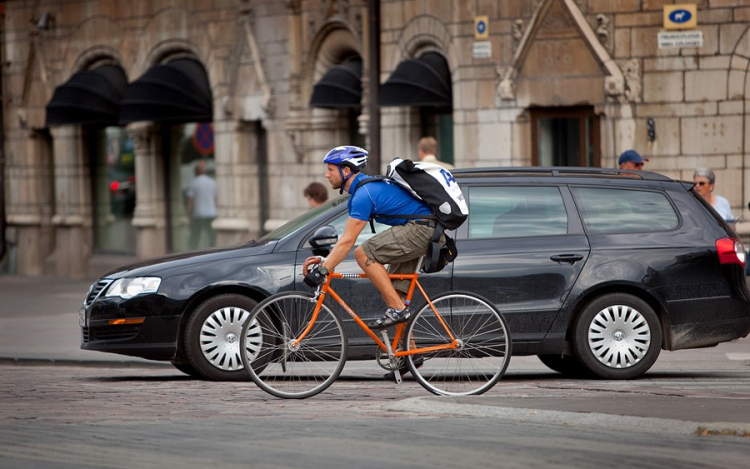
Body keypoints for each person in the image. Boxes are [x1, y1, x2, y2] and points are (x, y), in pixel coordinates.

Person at [303, 145, 443, 329]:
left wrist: (323, 270)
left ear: (346, 170)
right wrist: (326, 261)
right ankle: (406, 353)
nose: (326, 175)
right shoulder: (364, 189)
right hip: (423, 229)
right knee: (393, 295)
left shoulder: (364, 194)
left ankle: (398, 310)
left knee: (363, 254)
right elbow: (346, 240)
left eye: (330, 169)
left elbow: (348, 241)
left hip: (422, 230)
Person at [186, 160, 217, 249]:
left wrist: (188, 214)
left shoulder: (194, 182)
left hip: (199, 213)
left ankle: (192, 251)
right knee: (211, 235)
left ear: (196, 172)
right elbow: (216, 199)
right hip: (211, 213)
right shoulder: (212, 182)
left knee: (195, 235)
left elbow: (191, 200)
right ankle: (213, 250)